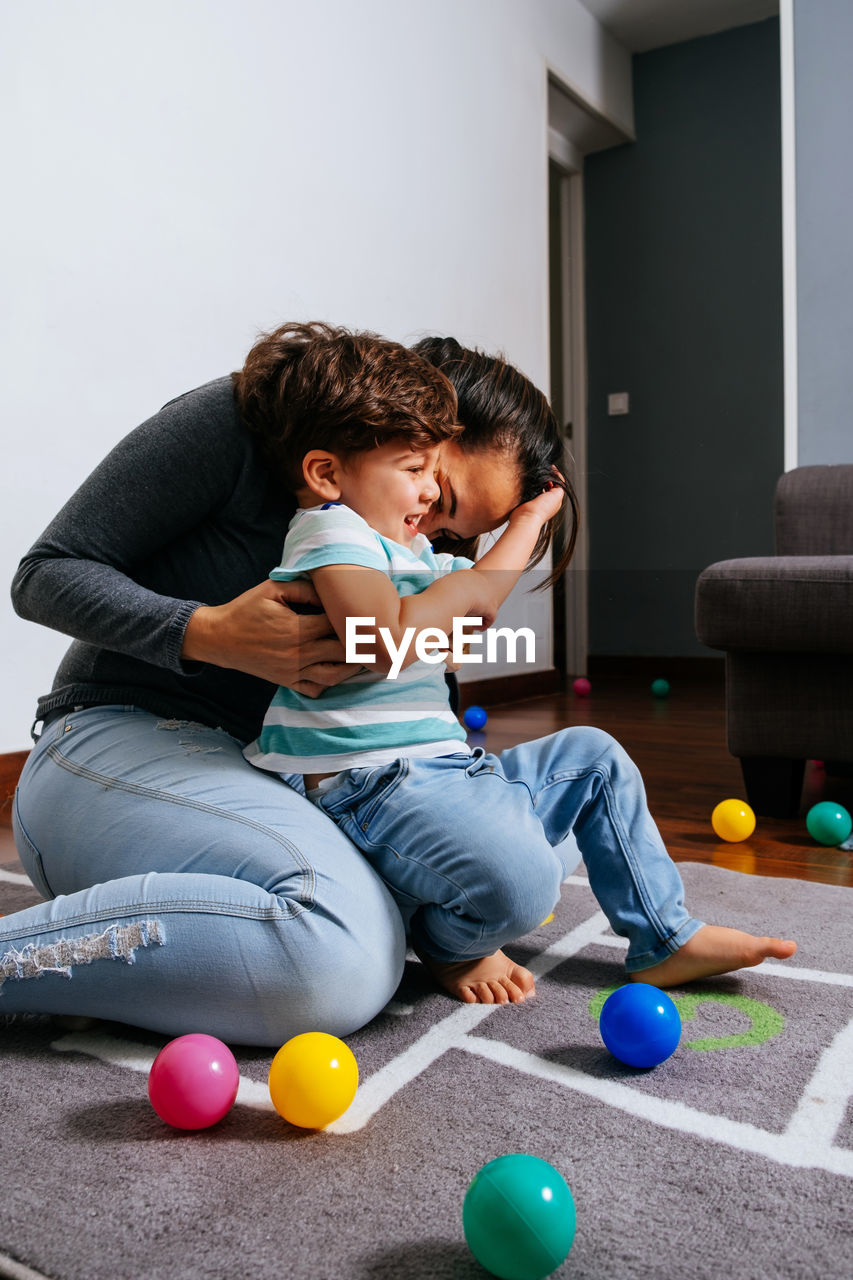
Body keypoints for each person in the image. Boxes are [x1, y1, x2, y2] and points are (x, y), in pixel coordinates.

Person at [3, 322, 794, 1045]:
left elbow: (406, 750)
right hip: (117, 743)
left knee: (516, 854)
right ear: (423, 427)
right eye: (434, 492)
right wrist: (208, 634)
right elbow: (43, 575)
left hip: (257, 777)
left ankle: (655, 932)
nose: (429, 528)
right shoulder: (238, 426)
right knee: (339, 963)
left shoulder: (399, 540)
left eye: (453, 534)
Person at [241, 331, 798, 1006]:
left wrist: (521, 527)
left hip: (436, 772)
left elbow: (474, 604)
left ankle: (662, 937)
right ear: (331, 473)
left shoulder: (405, 546)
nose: (426, 511)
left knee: (594, 757)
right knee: (527, 879)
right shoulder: (332, 530)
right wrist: (510, 544)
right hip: (369, 785)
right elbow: (388, 635)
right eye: (422, 478)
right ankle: (447, 942)